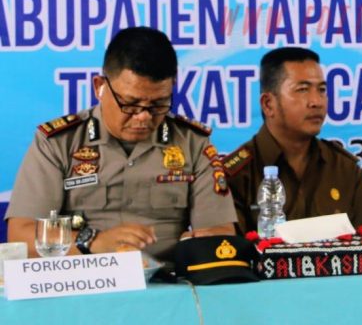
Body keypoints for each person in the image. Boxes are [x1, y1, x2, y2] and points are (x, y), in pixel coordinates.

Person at [5, 27, 236, 261]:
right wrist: (92, 242)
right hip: (83, 277)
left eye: (158, 104)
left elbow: (221, 232)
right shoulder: (58, 143)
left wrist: (201, 242)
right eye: (131, 104)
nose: (143, 116)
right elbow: (21, 235)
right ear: (100, 86)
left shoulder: (193, 143)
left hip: (169, 278)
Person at [224, 47, 362, 235]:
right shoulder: (236, 175)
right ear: (268, 104)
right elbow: (230, 249)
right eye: (302, 89)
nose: (316, 102)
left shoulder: (344, 169)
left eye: (321, 90)